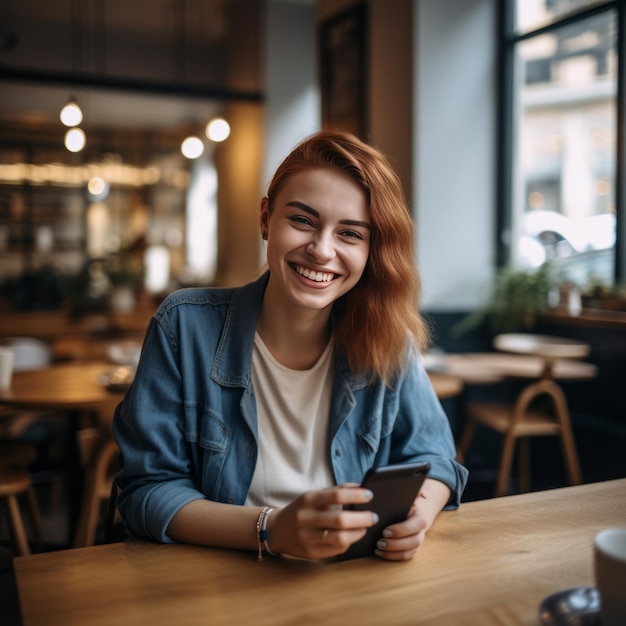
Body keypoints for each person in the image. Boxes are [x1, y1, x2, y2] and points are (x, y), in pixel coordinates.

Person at [112, 129, 468, 562]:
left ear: (372, 249)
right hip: (218, 581)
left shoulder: (388, 336)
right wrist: (271, 529)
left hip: (351, 581)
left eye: (350, 234)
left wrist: (419, 514)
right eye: (302, 220)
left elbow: (436, 459)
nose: (321, 250)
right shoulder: (182, 326)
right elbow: (146, 493)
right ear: (266, 218)